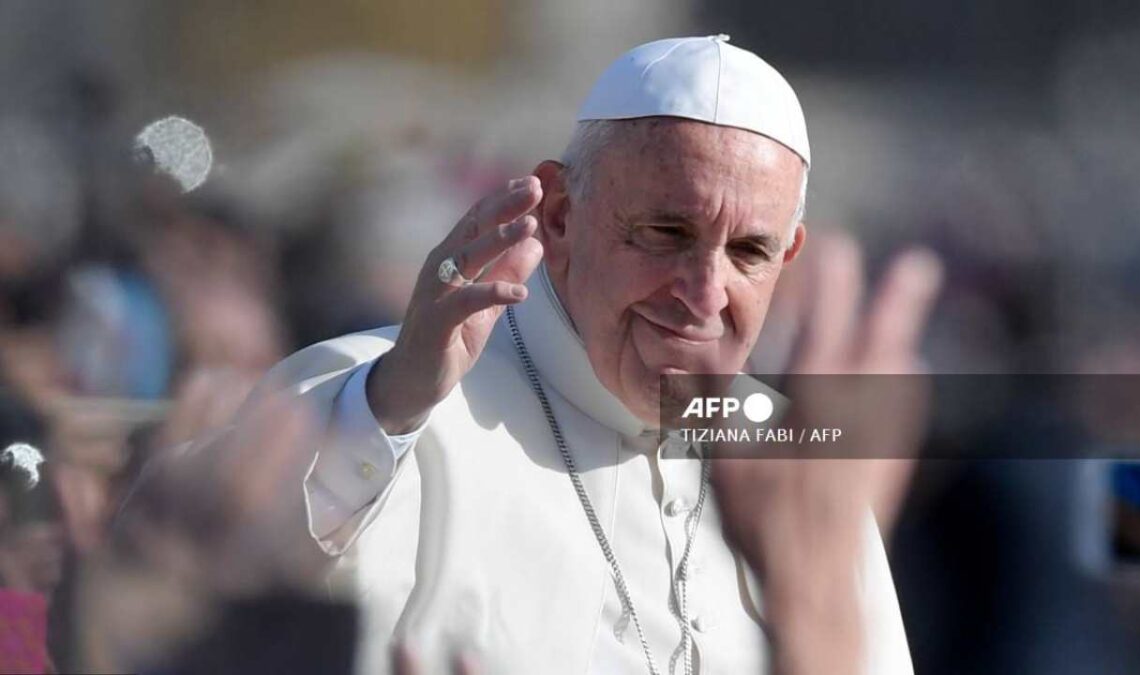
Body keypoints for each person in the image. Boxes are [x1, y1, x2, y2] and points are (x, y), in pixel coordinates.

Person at [218, 35, 941, 674]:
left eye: (750, 251)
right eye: (666, 232)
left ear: (790, 257)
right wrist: (390, 413)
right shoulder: (388, 393)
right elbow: (212, 592)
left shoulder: (791, 459)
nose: (704, 292)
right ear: (561, 214)